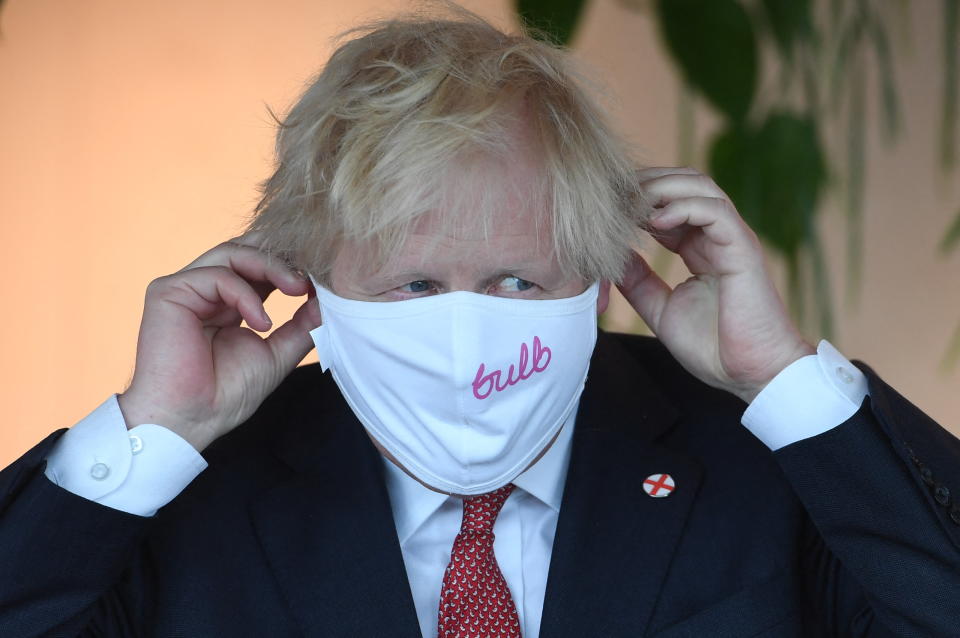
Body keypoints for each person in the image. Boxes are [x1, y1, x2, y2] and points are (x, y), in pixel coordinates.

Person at [2, 6, 959, 637]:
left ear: (598, 276)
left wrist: (785, 381)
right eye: (412, 286)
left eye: (514, 280)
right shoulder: (185, 497)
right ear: (311, 284)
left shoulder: (765, 456)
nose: (464, 335)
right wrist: (149, 434)